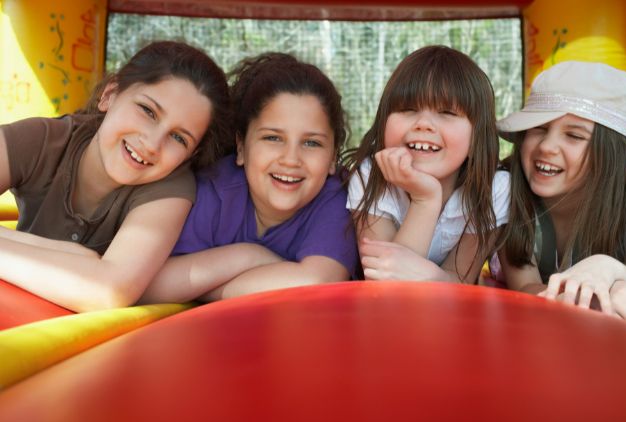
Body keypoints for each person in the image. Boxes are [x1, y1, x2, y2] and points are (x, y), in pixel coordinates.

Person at [0, 41, 231, 312]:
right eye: (147, 111)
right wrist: (75, 257)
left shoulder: (172, 187)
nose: (152, 144)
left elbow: (109, 291)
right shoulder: (42, 140)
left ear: (189, 156)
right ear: (110, 94)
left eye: (179, 138)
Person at [140, 53, 358, 303]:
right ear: (241, 147)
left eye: (311, 143)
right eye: (273, 138)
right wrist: (248, 256)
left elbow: (316, 284)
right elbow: (148, 285)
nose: (290, 159)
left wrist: (205, 291)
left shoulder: (335, 199)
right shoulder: (214, 189)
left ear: (333, 158)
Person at [346, 45, 509, 283]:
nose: (423, 124)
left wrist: (431, 275)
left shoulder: (494, 188)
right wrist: (425, 199)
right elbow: (387, 282)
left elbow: (460, 280)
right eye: (408, 109)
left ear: (477, 136)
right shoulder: (370, 177)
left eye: (447, 112)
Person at [497, 61, 626, 322]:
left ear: (610, 155)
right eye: (538, 128)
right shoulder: (505, 190)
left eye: (574, 136)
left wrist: (614, 272)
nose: (547, 146)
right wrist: (599, 297)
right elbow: (526, 287)